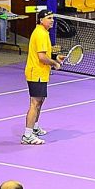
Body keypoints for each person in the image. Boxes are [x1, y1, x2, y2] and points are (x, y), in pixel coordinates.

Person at [22, 9, 63, 145]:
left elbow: (44, 53)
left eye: (52, 18)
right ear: (41, 20)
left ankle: (34, 128)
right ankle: (27, 135)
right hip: (36, 73)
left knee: (40, 101)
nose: (52, 20)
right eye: (49, 18)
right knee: (35, 103)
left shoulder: (43, 32)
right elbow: (41, 57)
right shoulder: (40, 34)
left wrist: (55, 57)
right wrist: (54, 63)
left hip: (41, 73)